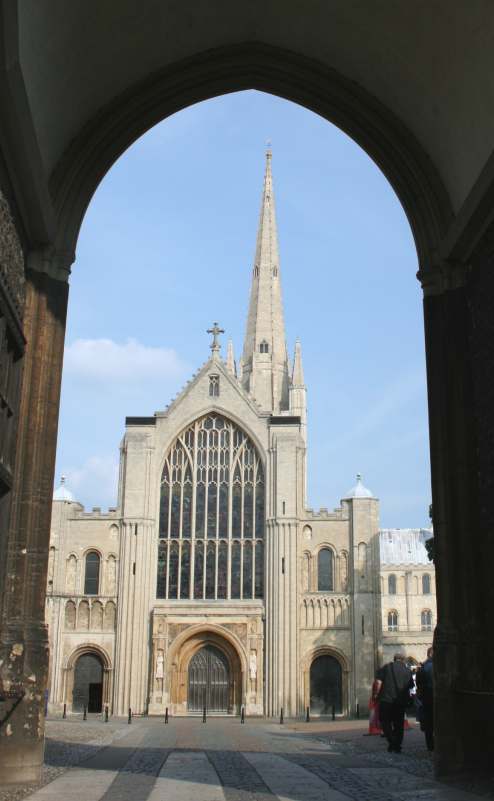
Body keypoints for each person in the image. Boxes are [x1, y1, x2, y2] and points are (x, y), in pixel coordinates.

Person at [374, 652, 413, 753]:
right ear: (403, 660)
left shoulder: (386, 668)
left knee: (385, 722)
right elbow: (410, 686)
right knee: (399, 724)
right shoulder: (407, 671)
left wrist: (375, 695)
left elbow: (378, 682)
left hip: (386, 700)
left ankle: (392, 741)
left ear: (394, 659)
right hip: (400, 701)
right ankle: (397, 745)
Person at [416, 646, 434, 751]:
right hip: (437, 698)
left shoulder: (423, 667)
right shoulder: (438, 665)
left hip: (426, 698)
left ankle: (430, 745)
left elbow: (419, 684)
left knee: (428, 724)